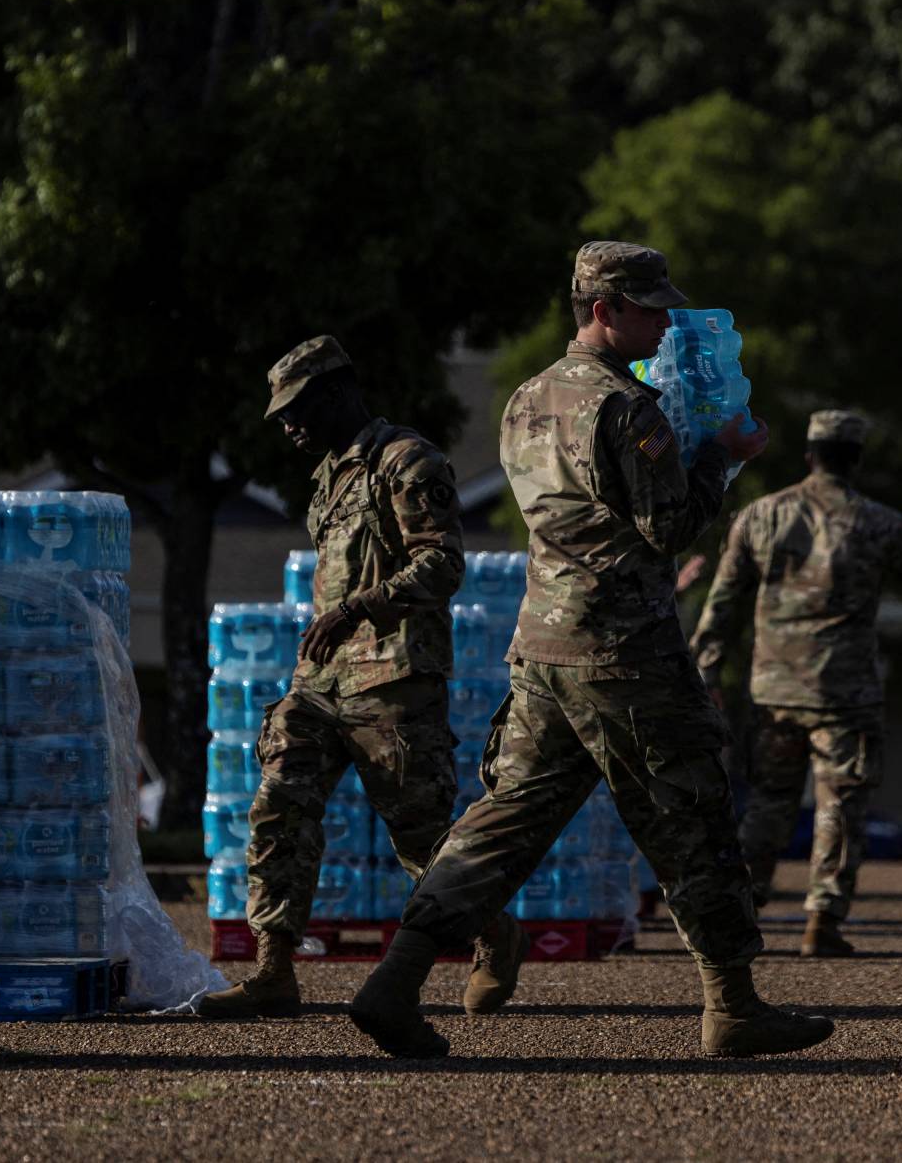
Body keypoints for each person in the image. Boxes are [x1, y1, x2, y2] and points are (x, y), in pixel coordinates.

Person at [346, 241, 835, 1060]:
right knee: (694, 813)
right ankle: (733, 1004)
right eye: (647, 308)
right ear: (603, 312)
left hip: (544, 647)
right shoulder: (625, 409)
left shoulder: (527, 398)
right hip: (625, 649)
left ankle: (394, 982)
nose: (663, 321)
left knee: (501, 823)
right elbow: (668, 527)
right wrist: (719, 455)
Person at [195, 334, 522, 1019]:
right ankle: (274, 970)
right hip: (320, 683)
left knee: (423, 837)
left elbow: (442, 563)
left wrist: (359, 608)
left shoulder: (405, 462)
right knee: (278, 803)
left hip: (393, 679)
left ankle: (493, 933)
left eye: (297, 408)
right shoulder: (327, 477)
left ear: (339, 393)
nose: (288, 424)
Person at [690, 410, 902, 957]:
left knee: (768, 801)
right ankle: (822, 921)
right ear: (854, 459)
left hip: (773, 690)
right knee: (841, 804)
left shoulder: (759, 516)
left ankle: (740, 909)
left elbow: (722, 606)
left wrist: (707, 670)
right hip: (844, 692)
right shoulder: (876, 522)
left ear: (809, 455)